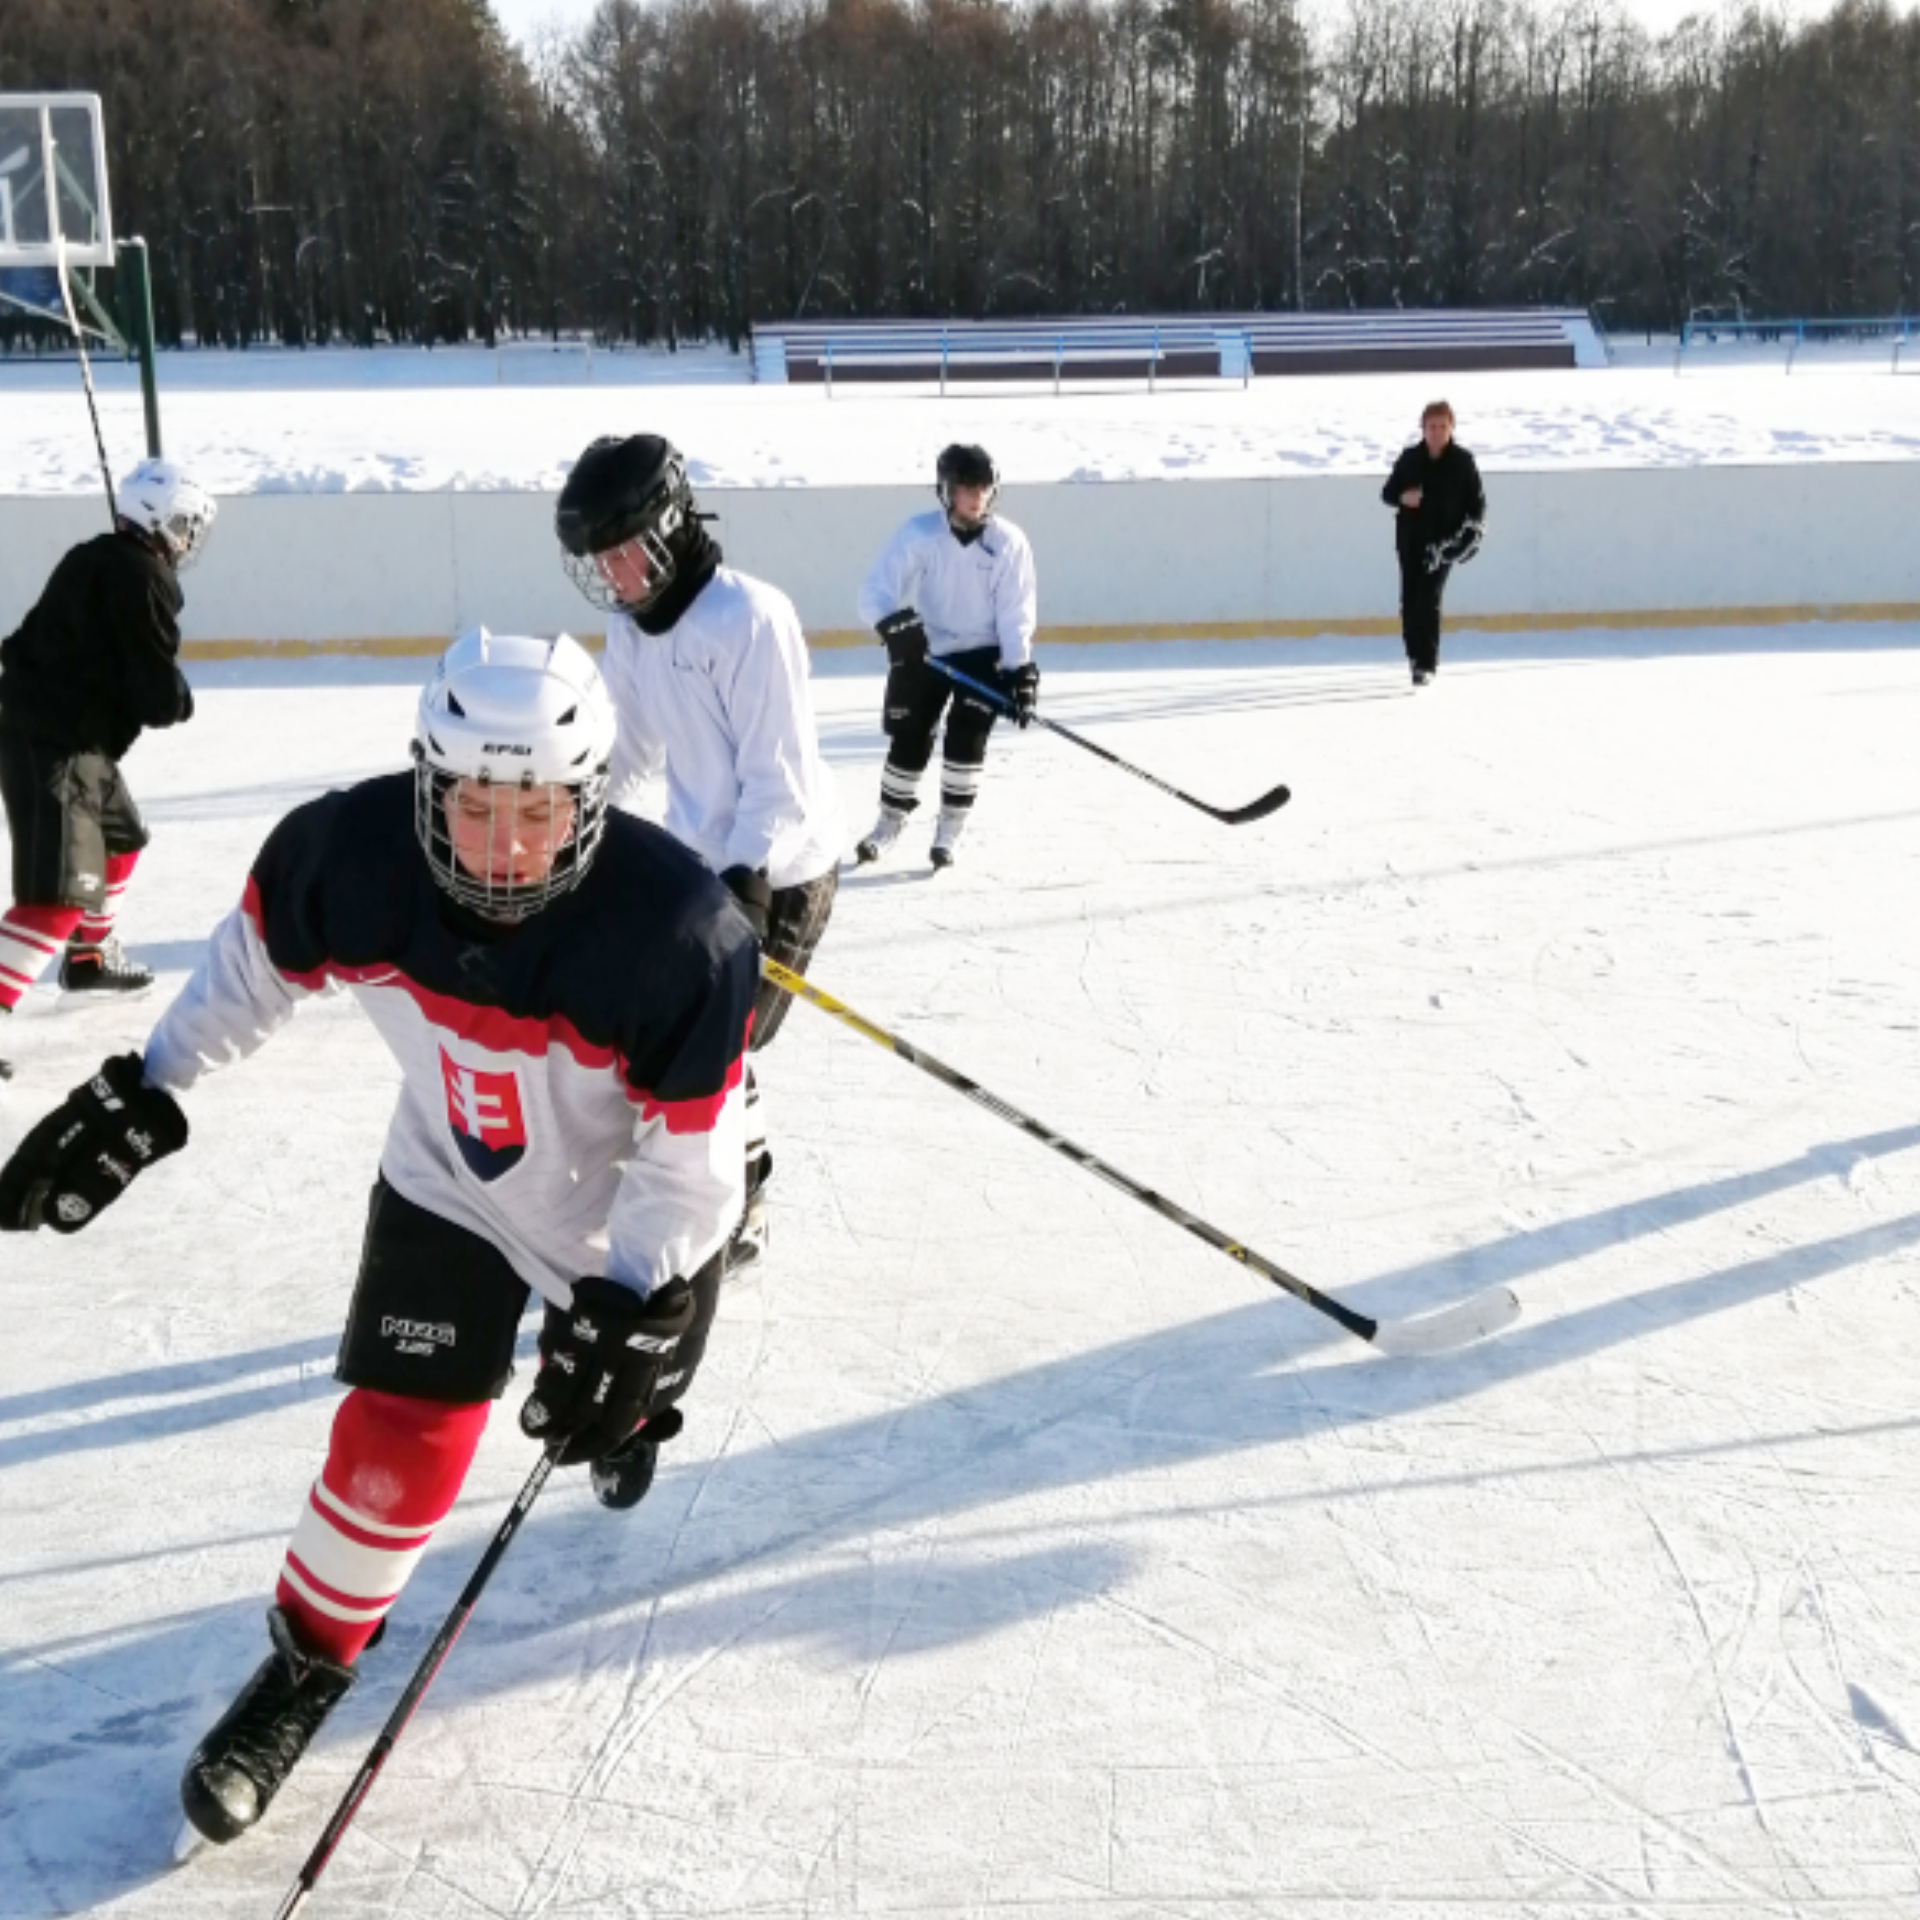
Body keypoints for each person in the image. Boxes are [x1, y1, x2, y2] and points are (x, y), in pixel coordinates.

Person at [0, 630, 757, 1849]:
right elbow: (248, 971)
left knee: (608, 1420)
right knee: (395, 1435)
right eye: (472, 804)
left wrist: (635, 1305)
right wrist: (152, 1083)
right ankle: (304, 1669)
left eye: (538, 810)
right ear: (425, 785)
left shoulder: (682, 937)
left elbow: (692, 1164)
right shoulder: (345, 858)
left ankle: (630, 1434)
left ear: (591, 803)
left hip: (617, 1216)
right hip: (450, 1179)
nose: (504, 845)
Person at [556, 433, 843, 1272]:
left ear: (669, 525)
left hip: (781, 869)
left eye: (620, 555)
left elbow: (779, 778)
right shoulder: (635, 632)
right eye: (597, 561)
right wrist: (567, 819)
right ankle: (686, 1177)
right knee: (667, 1038)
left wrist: (745, 877)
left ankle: (744, 1191)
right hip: (701, 864)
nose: (610, 576)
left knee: (720, 1044)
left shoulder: (750, 618)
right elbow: (630, 751)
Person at [0, 458, 217, 1078]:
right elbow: (155, 692)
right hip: (55, 746)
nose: (188, 538)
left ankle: (89, 958)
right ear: (160, 518)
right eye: (185, 524)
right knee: (56, 902)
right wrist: (180, 698)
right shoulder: (143, 576)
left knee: (121, 841)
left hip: (73, 740)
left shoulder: (95, 556)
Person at [853, 443, 1038, 870]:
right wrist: (891, 625)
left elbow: (1016, 612)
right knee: (909, 737)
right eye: (967, 488)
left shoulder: (1008, 543)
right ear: (946, 490)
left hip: (983, 655)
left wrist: (1019, 670)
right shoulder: (919, 534)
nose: (977, 497)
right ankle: (888, 824)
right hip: (927, 653)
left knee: (965, 742)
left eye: (985, 488)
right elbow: (875, 590)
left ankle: (949, 830)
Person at [1381, 401, 1486, 686]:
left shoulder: (1463, 462)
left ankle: (1426, 663)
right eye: (1432, 427)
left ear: (1451, 428)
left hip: (1443, 544)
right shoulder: (1410, 458)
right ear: (1423, 429)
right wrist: (1404, 498)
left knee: (1429, 598)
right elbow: (1387, 493)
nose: (1437, 432)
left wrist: (1471, 535)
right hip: (1409, 539)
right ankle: (1414, 657)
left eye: (1442, 426)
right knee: (1410, 600)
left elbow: (1477, 505)